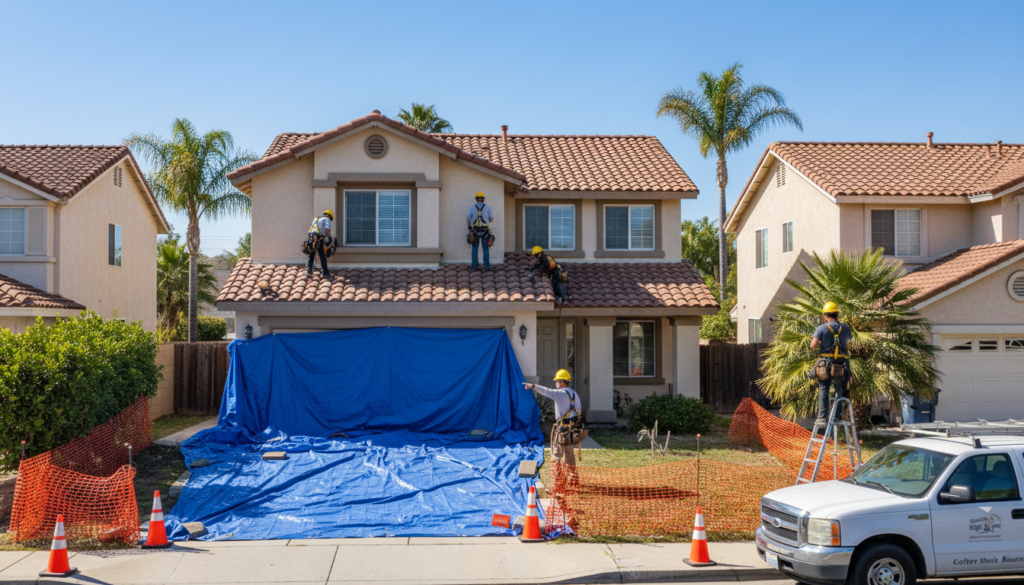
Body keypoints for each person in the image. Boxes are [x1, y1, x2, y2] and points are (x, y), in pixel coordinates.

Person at [523, 369, 582, 466]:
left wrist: (533, 386)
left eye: (557, 381)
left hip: (562, 429)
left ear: (562, 381)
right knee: (569, 453)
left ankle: (557, 477)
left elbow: (546, 391)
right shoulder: (574, 394)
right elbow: (578, 410)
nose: (556, 383)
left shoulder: (560, 394)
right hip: (572, 429)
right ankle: (571, 477)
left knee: (556, 453)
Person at [810, 302, 852, 424]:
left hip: (825, 365)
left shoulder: (821, 328)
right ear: (837, 314)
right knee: (839, 389)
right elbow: (848, 343)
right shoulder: (845, 328)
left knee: (824, 388)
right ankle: (838, 416)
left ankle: (822, 417)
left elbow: (813, 346)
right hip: (841, 365)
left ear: (825, 315)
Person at [465, 192, 493, 269]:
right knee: (486, 248)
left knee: (474, 247)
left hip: (475, 231)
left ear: (476, 200)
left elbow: (468, 218)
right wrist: (486, 221)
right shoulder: (488, 207)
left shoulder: (472, 207)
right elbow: (492, 218)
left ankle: (474, 265)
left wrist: (469, 227)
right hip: (485, 231)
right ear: (483, 199)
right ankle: (486, 266)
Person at [307, 209, 333, 278]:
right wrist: (330, 238)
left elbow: (311, 229)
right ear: (329, 216)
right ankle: (325, 273)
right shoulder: (327, 219)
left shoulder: (316, 219)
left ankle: (308, 271)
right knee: (322, 255)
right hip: (318, 238)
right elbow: (327, 230)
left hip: (311, 238)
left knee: (311, 254)